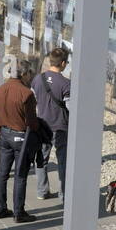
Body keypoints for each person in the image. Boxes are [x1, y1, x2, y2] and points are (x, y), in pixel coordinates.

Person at [0, 59, 40, 222]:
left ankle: (0, 208)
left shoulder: (1, 89)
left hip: (5, 134)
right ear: (24, 74)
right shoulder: (26, 94)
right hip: (21, 137)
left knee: (2, 173)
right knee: (20, 175)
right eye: (29, 74)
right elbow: (32, 122)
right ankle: (19, 212)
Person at [32, 47, 71, 199]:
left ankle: (42, 191)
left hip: (42, 125)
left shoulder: (37, 79)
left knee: (41, 159)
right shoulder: (66, 84)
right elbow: (70, 107)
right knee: (63, 161)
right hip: (60, 127)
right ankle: (64, 194)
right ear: (62, 63)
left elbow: (33, 101)